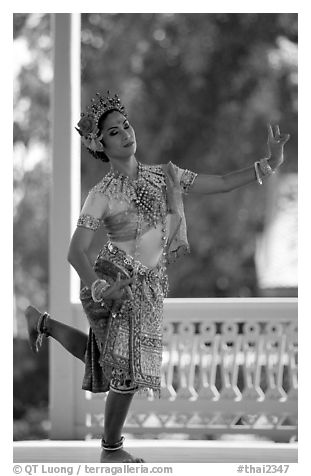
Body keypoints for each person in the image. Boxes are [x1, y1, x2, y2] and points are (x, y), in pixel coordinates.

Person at [25, 91, 290, 463]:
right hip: (113, 281)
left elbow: (224, 181)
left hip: (147, 284)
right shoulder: (101, 195)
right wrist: (102, 289)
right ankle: (111, 450)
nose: (126, 134)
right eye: (114, 132)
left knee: (107, 362)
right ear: (99, 144)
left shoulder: (166, 177)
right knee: (128, 371)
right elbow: (75, 252)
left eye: (126, 125)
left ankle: (44, 323)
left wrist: (269, 164)